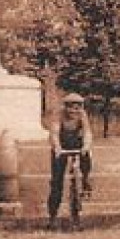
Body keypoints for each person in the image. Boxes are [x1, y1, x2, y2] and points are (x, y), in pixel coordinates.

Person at [47, 93, 94, 228]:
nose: (74, 111)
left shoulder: (82, 115)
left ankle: (85, 180)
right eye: (71, 107)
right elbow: (54, 133)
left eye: (77, 107)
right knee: (57, 182)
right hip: (61, 145)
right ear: (65, 107)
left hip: (75, 143)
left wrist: (86, 146)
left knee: (86, 157)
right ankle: (53, 216)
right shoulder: (58, 115)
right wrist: (57, 147)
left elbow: (87, 133)